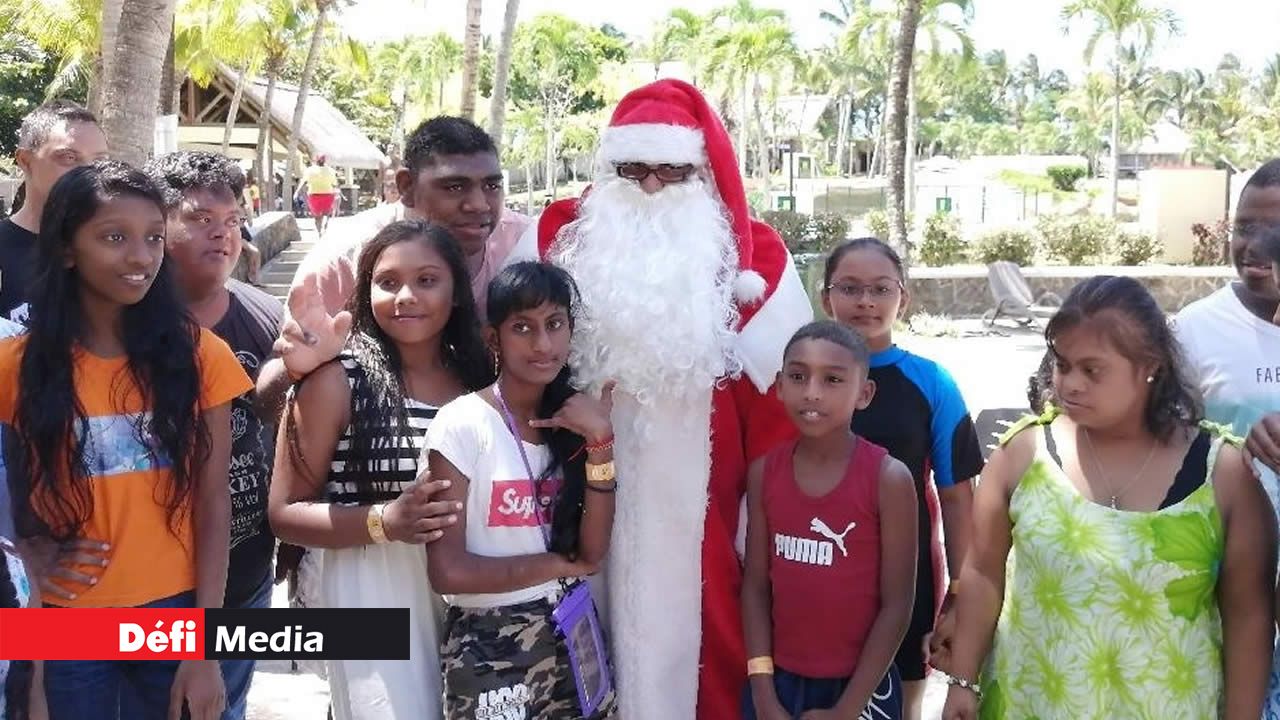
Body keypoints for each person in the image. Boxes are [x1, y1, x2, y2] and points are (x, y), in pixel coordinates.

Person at [504, 78, 813, 719]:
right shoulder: (558, 239)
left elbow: (785, 418)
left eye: (670, 171)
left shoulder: (759, 268)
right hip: (569, 504)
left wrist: (768, 537)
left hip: (706, 521)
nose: (648, 186)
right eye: (632, 168)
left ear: (699, 175)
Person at [938, 275, 1276, 720]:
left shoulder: (1223, 473)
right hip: (1031, 703)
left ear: (1150, 364)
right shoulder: (1022, 455)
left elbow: (1249, 615)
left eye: (1092, 370)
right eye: (1062, 364)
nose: (1070, 384)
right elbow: (982, 573)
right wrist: (963, 681)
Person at [1, 161, 250, 720]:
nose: (141, 257)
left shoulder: (200, 355)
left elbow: (214, 501)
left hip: (172, 615)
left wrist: (205, 648)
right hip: (63, 618)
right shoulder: (15, 366)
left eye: (154, 238)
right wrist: (24, 558)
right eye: (114, 238)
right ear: (67, 248)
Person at [267, 219, 493, 720]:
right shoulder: (336, 380)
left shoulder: (483, 378)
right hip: (373, 585)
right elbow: (284, 513)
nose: (406, 295)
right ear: (365, 292)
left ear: (456, 292)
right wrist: (385, 521)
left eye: (427, 280)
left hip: (474, 585)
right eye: (387, 282)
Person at [425, 261, 618, 719]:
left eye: (555, 325)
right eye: (523, 328)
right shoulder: (463, 426)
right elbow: (447, 572)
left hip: (572, 632)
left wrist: (600, 444)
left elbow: (593, 550)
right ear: (494, 338)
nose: (543, 344)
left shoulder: (575, 422)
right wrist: (555, 566)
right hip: (491, 642)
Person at [145, 150, 286, 720]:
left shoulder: (266, 316)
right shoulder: (124, 322)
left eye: (231, 221)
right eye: (201, 219)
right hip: (147, 574)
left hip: (244, 567)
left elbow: (283, 432)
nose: (222, 235)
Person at [819, 237, 981, 718]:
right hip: (815, 574)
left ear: (902, 298)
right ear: (827, 298)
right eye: (849, 288)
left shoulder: (932, 383)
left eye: (880, 289)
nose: (865, 301)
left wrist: (960, 600)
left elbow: (957, 500)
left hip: (906, 586)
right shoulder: (800, 377)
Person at [741, 321, 916, 720]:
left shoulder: (888, 479)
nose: (812, 392)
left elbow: (898, 604)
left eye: (833, 379)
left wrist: (846, 710)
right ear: (780, 385)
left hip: (861, 689)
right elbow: (755, 588)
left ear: (864, 393)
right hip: (779, 684)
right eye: (798, 376)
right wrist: (764, 693)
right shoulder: (764, 473)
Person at [0, 100, 109, 325]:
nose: (87, 172)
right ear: (25, 160)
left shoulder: (119, 247)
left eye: (99, 161)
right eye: (69, 158)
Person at [298, 155, 339, 235]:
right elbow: (334, 184)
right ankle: (323, 228)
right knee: (326, 214)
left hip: (314, 194)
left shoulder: (309, 170)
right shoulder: (331, 171)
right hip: (327, 194)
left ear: (315, 160)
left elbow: (303, 182)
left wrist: (297, 191)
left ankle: (320, 232)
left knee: (317, 216)